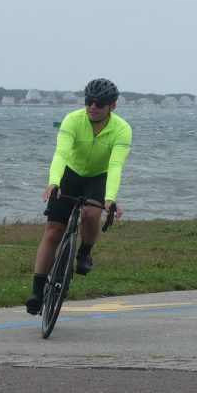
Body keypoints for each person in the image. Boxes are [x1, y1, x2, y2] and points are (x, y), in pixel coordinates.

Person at [24, 78, 133, 315]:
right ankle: (36, 291)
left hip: (98, 177)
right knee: (53, 231)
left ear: (112, 106)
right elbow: (61, 153)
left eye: (99, 103)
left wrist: (110, 198)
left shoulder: (122, 129)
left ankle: (84, 252)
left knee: (92, 213)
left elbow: (116, 165)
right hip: (70, 174)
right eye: (89, 101)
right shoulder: (73, 120)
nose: (92, 106)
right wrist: (54, 182)